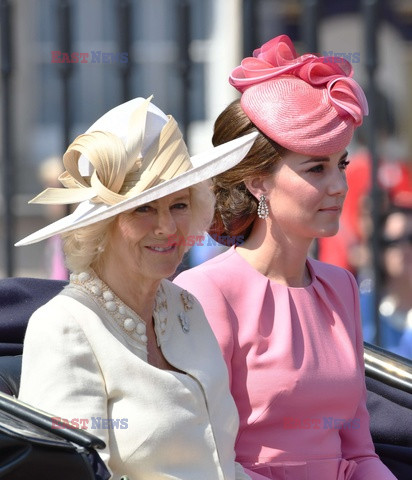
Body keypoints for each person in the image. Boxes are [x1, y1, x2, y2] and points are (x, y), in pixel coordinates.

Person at [174, 35, 396, 479]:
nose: (340, 186)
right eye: (316, 168)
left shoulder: (341, 287)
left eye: (342, 164)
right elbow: (201, 454)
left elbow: (359, 450)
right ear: (258, 183)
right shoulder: (206, 292)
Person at [16, 96, 257, 480]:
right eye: (143, 209)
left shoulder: (186, 308)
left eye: (178, 205)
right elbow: (71, 474)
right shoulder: (64, 327)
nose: (166, 227)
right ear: (102, 227)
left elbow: (221, 462)